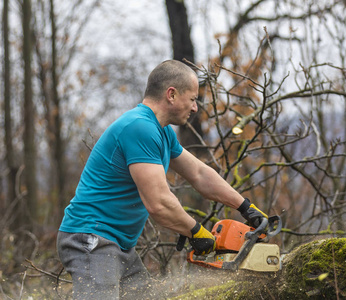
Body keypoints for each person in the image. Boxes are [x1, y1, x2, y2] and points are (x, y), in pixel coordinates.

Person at [57, 60, 267, 299]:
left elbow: (199, 173)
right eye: (193, 99)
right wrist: (196, 231)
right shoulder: (140, 127)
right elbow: (158, 202)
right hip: (92, 238)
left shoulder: (161, 131)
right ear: (172, 94)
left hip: (119, 245)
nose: (195, 108)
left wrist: (245, 206)